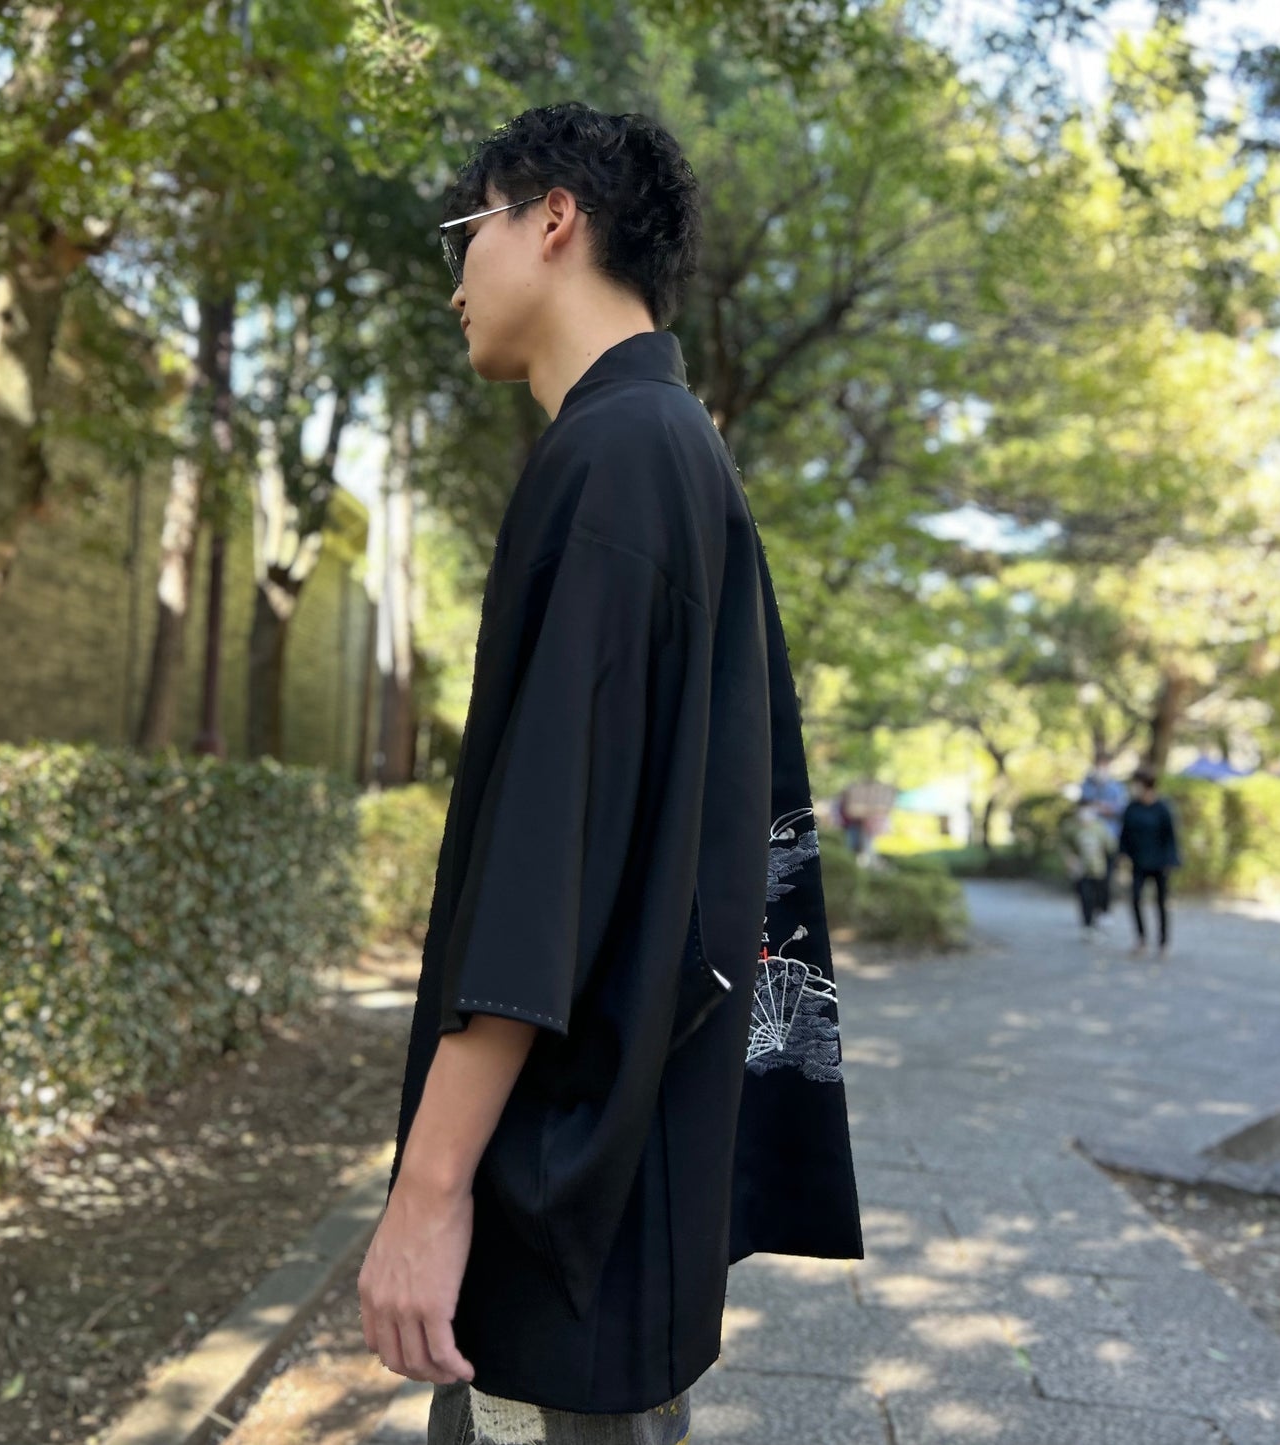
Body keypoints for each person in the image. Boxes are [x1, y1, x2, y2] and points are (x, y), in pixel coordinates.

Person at [358, 104, 862, 1445]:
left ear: (554, 219)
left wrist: (429, 1189)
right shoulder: (666, 443)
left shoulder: (621, 454)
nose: (453, 277)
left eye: (466, 234)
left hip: (570, 1161)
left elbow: (547, 859)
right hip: (626, 1137)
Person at [1118, 766, 1182, 956]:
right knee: (1135, 899)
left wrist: (1170, 861)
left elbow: (1171, 837)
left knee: (1161, 903)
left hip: (1160, 862)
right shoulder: (1132, 807)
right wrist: (1122, 856)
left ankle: (1163, 942)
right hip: (1138, 862)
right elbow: (1125, 835)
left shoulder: (1163, 808)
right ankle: (1141, 938)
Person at [1079, 751, 1128, 914]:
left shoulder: (1117, 787)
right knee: (1090, 878)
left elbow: (1121, 809)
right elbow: (1083, 806)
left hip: (1110, 839)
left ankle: (1104, 909)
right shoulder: (1087, 785)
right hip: (1090, 840)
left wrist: (1103, 808)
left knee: (1106, 877)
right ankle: (1091, 911)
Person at [1060, 802, 1114, 934]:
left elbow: (1110, 847)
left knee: (1099, 895)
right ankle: (1087, 924)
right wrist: (1070, 859)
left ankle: (1099, 917)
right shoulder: (1071, 827)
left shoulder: (1100, 827)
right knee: (1085, 896)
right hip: (1081, 870)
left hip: (1098, 869)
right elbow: (1064, 845)